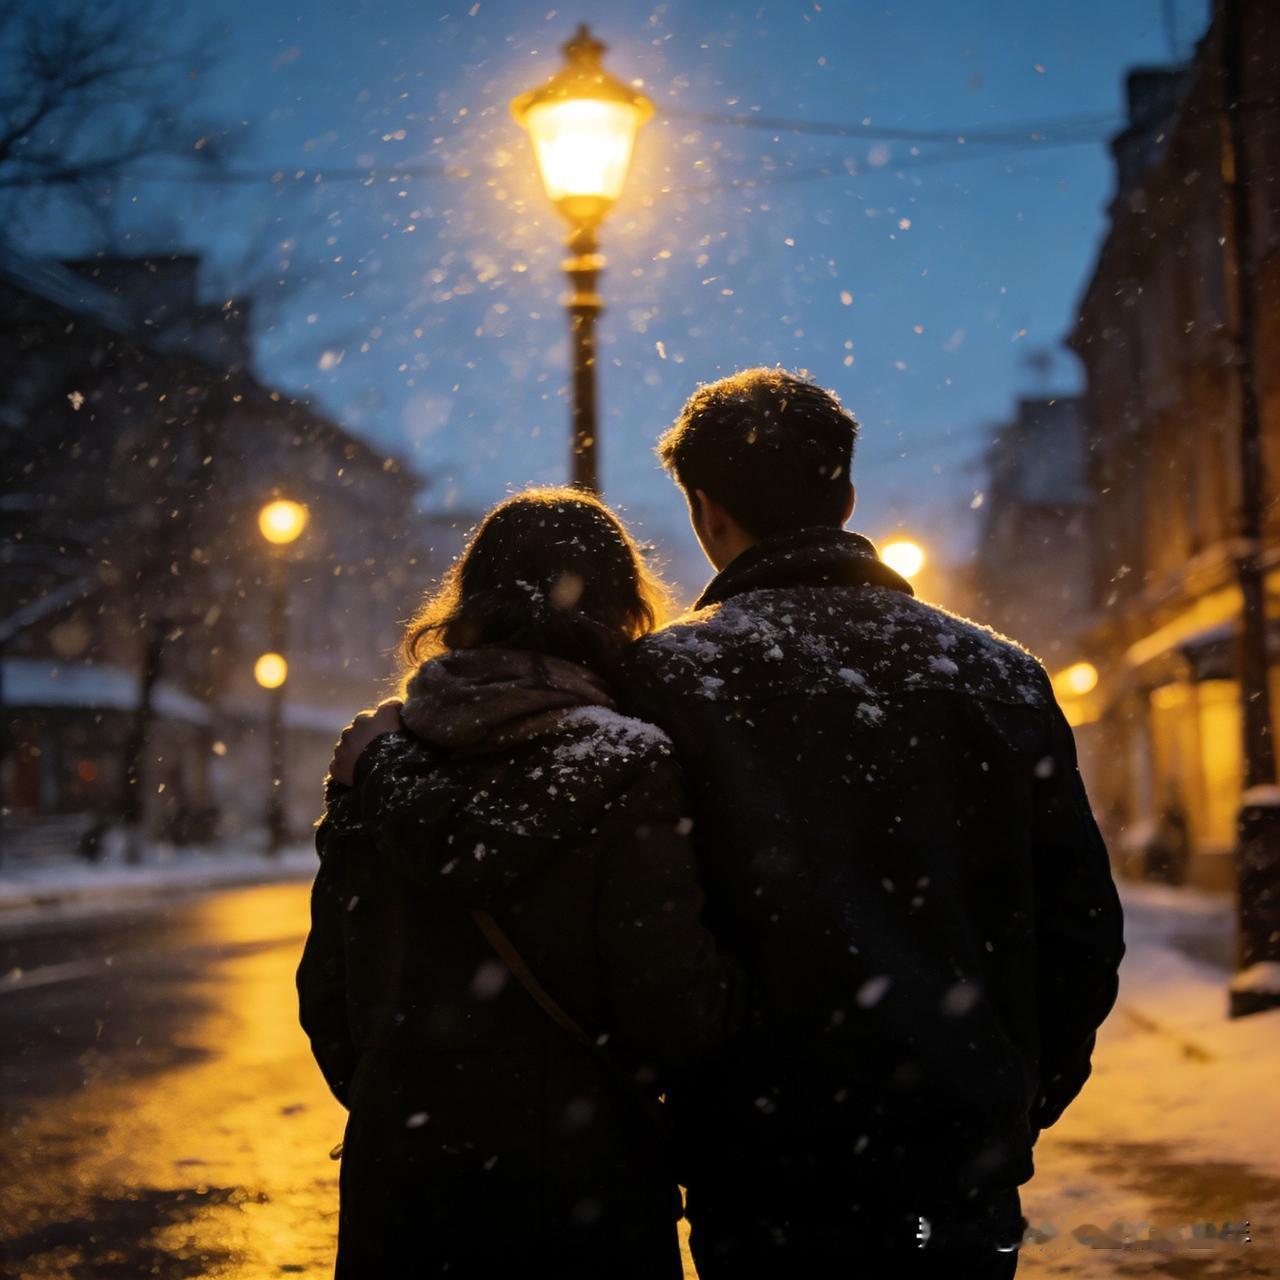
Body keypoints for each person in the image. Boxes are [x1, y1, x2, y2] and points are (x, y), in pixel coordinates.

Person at [615, 368, 1125, 1278]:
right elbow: (1080, 926)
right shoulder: (999, 676)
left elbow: (646, 938)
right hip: (954, 1160)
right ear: (845, 494)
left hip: (758, 1163)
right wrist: (1012, 1092)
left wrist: (700, 1097)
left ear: (706, 514)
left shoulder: (664, 685)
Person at [297, 488, 736, 1280]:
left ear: (467, 603)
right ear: (621, 609)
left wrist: (409, 1103)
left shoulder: (376, 759)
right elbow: (671, 1009)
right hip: (587, 1191)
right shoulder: (633, 767)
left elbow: (329, 996)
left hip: (407, 1194)